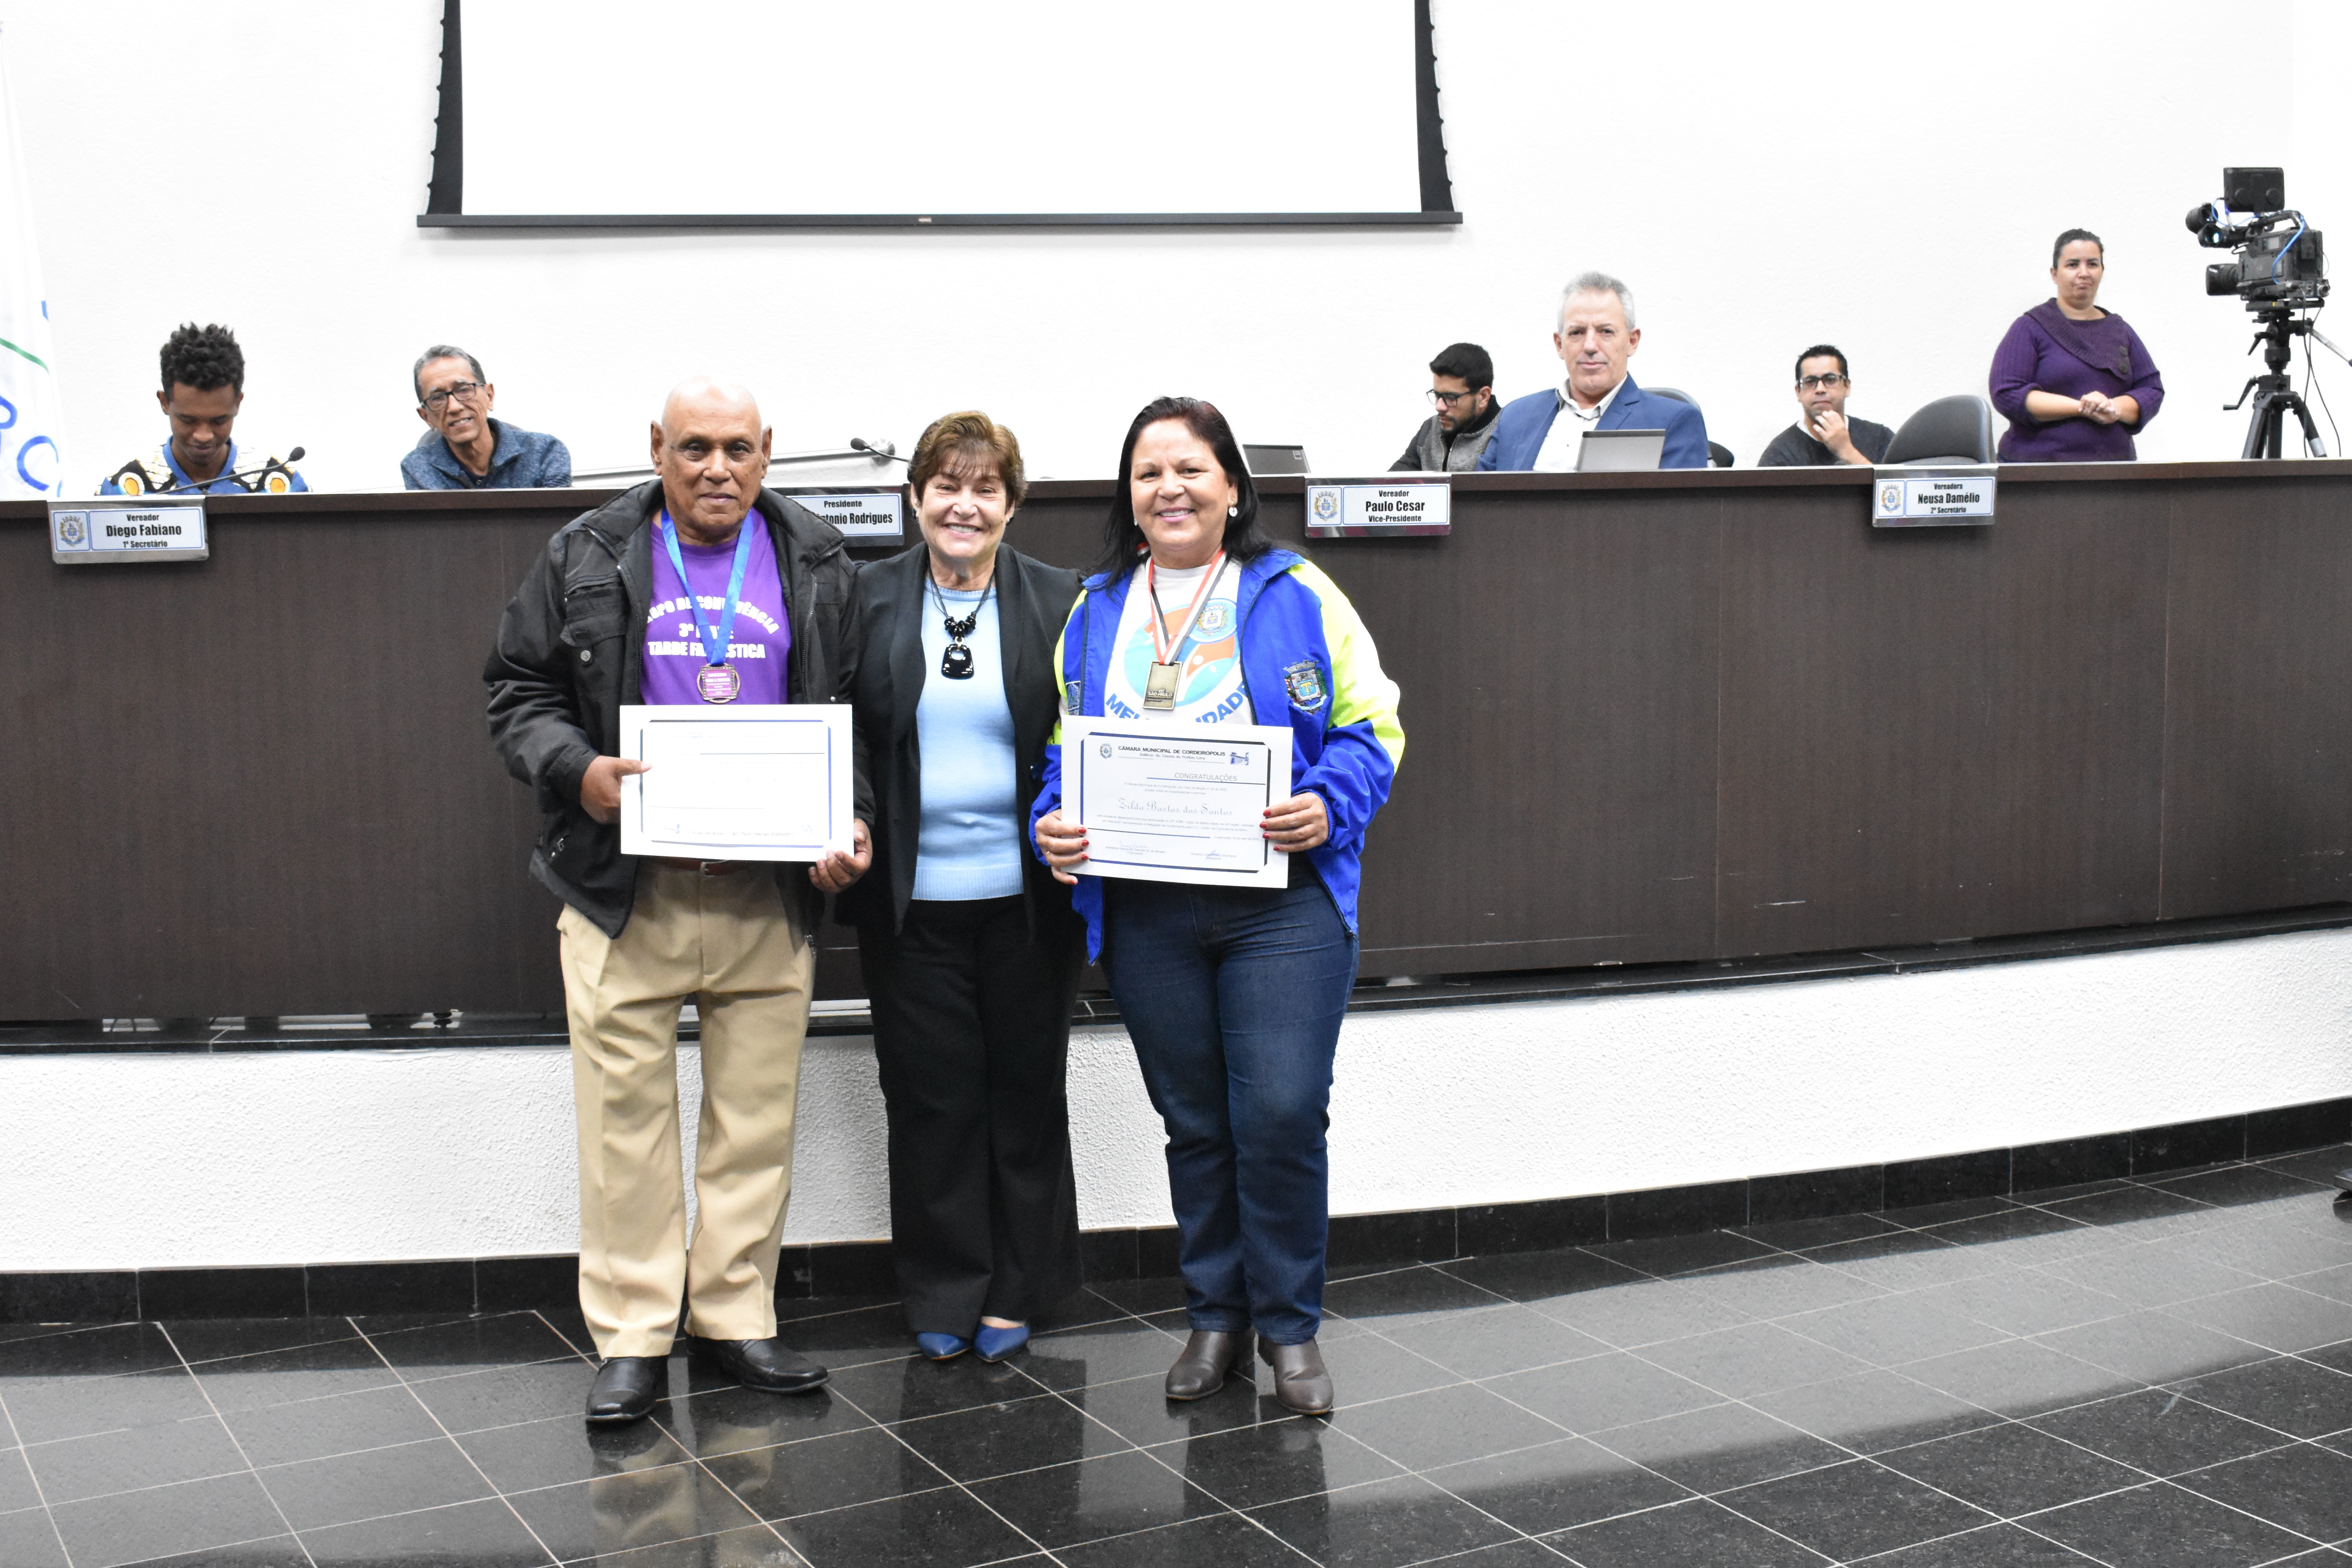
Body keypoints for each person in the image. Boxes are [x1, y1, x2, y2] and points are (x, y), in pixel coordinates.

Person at [483, 377, 869, 1426]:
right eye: (695, 447)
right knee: (625, 1127)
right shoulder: (585, 553)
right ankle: (634, 1334)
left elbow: (854, 713)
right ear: (657, 448)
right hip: (626, 891)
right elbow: (516, 689)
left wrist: (854, 817)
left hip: (766, 893)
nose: (717, 469)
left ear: (767, 452)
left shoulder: (820, 558)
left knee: (755, 1121)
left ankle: (736, 1316)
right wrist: (577, 771)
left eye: (738, 448)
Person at [1031, 397, 1405, 1416]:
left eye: (1191, 468)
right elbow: (1067, 751)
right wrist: (1051, 820)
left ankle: (1290, 1326)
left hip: (1282, 907)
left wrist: (1329, 803)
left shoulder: (1295, 591)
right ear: (1129, 496)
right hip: (1149, 913)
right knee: (1195, 1122)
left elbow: (1375, 726)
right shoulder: (1095, 610)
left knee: (1279, 1113)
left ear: (1233, 486)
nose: (1170, 488)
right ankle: (1216, 1319)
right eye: (1149, 472)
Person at [839, 412, 1086, 1366]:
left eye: (986, 488)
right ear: (915, 497)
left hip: (1030, 900)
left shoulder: (1061, 599)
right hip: (910, 902)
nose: (964, 505)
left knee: (1026, 1092)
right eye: (946, 485)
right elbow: (845, 731)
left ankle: (1018, 1287)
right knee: (931, 1098)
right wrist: (850, 815)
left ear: (1012, 505)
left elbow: (1082, 734)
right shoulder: (865, 597)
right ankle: (944, 1285)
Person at [1477, 273, 1708, 471]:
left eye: (1606, 331)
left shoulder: (1672, 422)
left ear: (1632, 341)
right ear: (1560, 344)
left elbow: (1679, 509)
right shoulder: (1516, 416)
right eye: (1576, 333)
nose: (1590, 346)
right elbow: (1479, 501)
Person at [1990, 229, 2165, 462]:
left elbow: (2151, 389)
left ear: (2102, 271)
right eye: (2073, 265)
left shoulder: (2120, 330)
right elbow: (2007, 392)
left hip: (2113, 470)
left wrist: (2113, 408)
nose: (2084, 273)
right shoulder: (2030, 327)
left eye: (2092, 264)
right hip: (2037, 469)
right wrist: (2082, 407)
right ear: (2055, 274)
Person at [101, 323, 307, 495]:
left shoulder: (279, 485)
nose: (204, 436)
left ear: (238, 403)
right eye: (188, 421)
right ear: (165, 403)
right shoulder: (125, 489)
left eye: (219, 421)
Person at [401, 345, 572, 489]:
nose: (454, 407)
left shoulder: (545, 453)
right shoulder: (418, 467)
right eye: (438, 398)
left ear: (489, 396)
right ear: (426, 417)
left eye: (464, 390)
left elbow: (559, 519)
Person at [1758, 346, 1894, 466]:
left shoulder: (1880, 439)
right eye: (1810, 382)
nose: (1820, 389)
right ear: (1798, 392)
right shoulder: (1780, 453)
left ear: (1847, 387)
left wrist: (1847, 452)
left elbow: (1900, 486)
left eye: (1830, 380)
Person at [1390, 342, 1501, 471]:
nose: (1439, 407)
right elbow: (1396, 479)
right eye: (1437, 395)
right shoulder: (1431, 429)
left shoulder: (1504, 434)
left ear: (1483, 396)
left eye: (1451, 398)